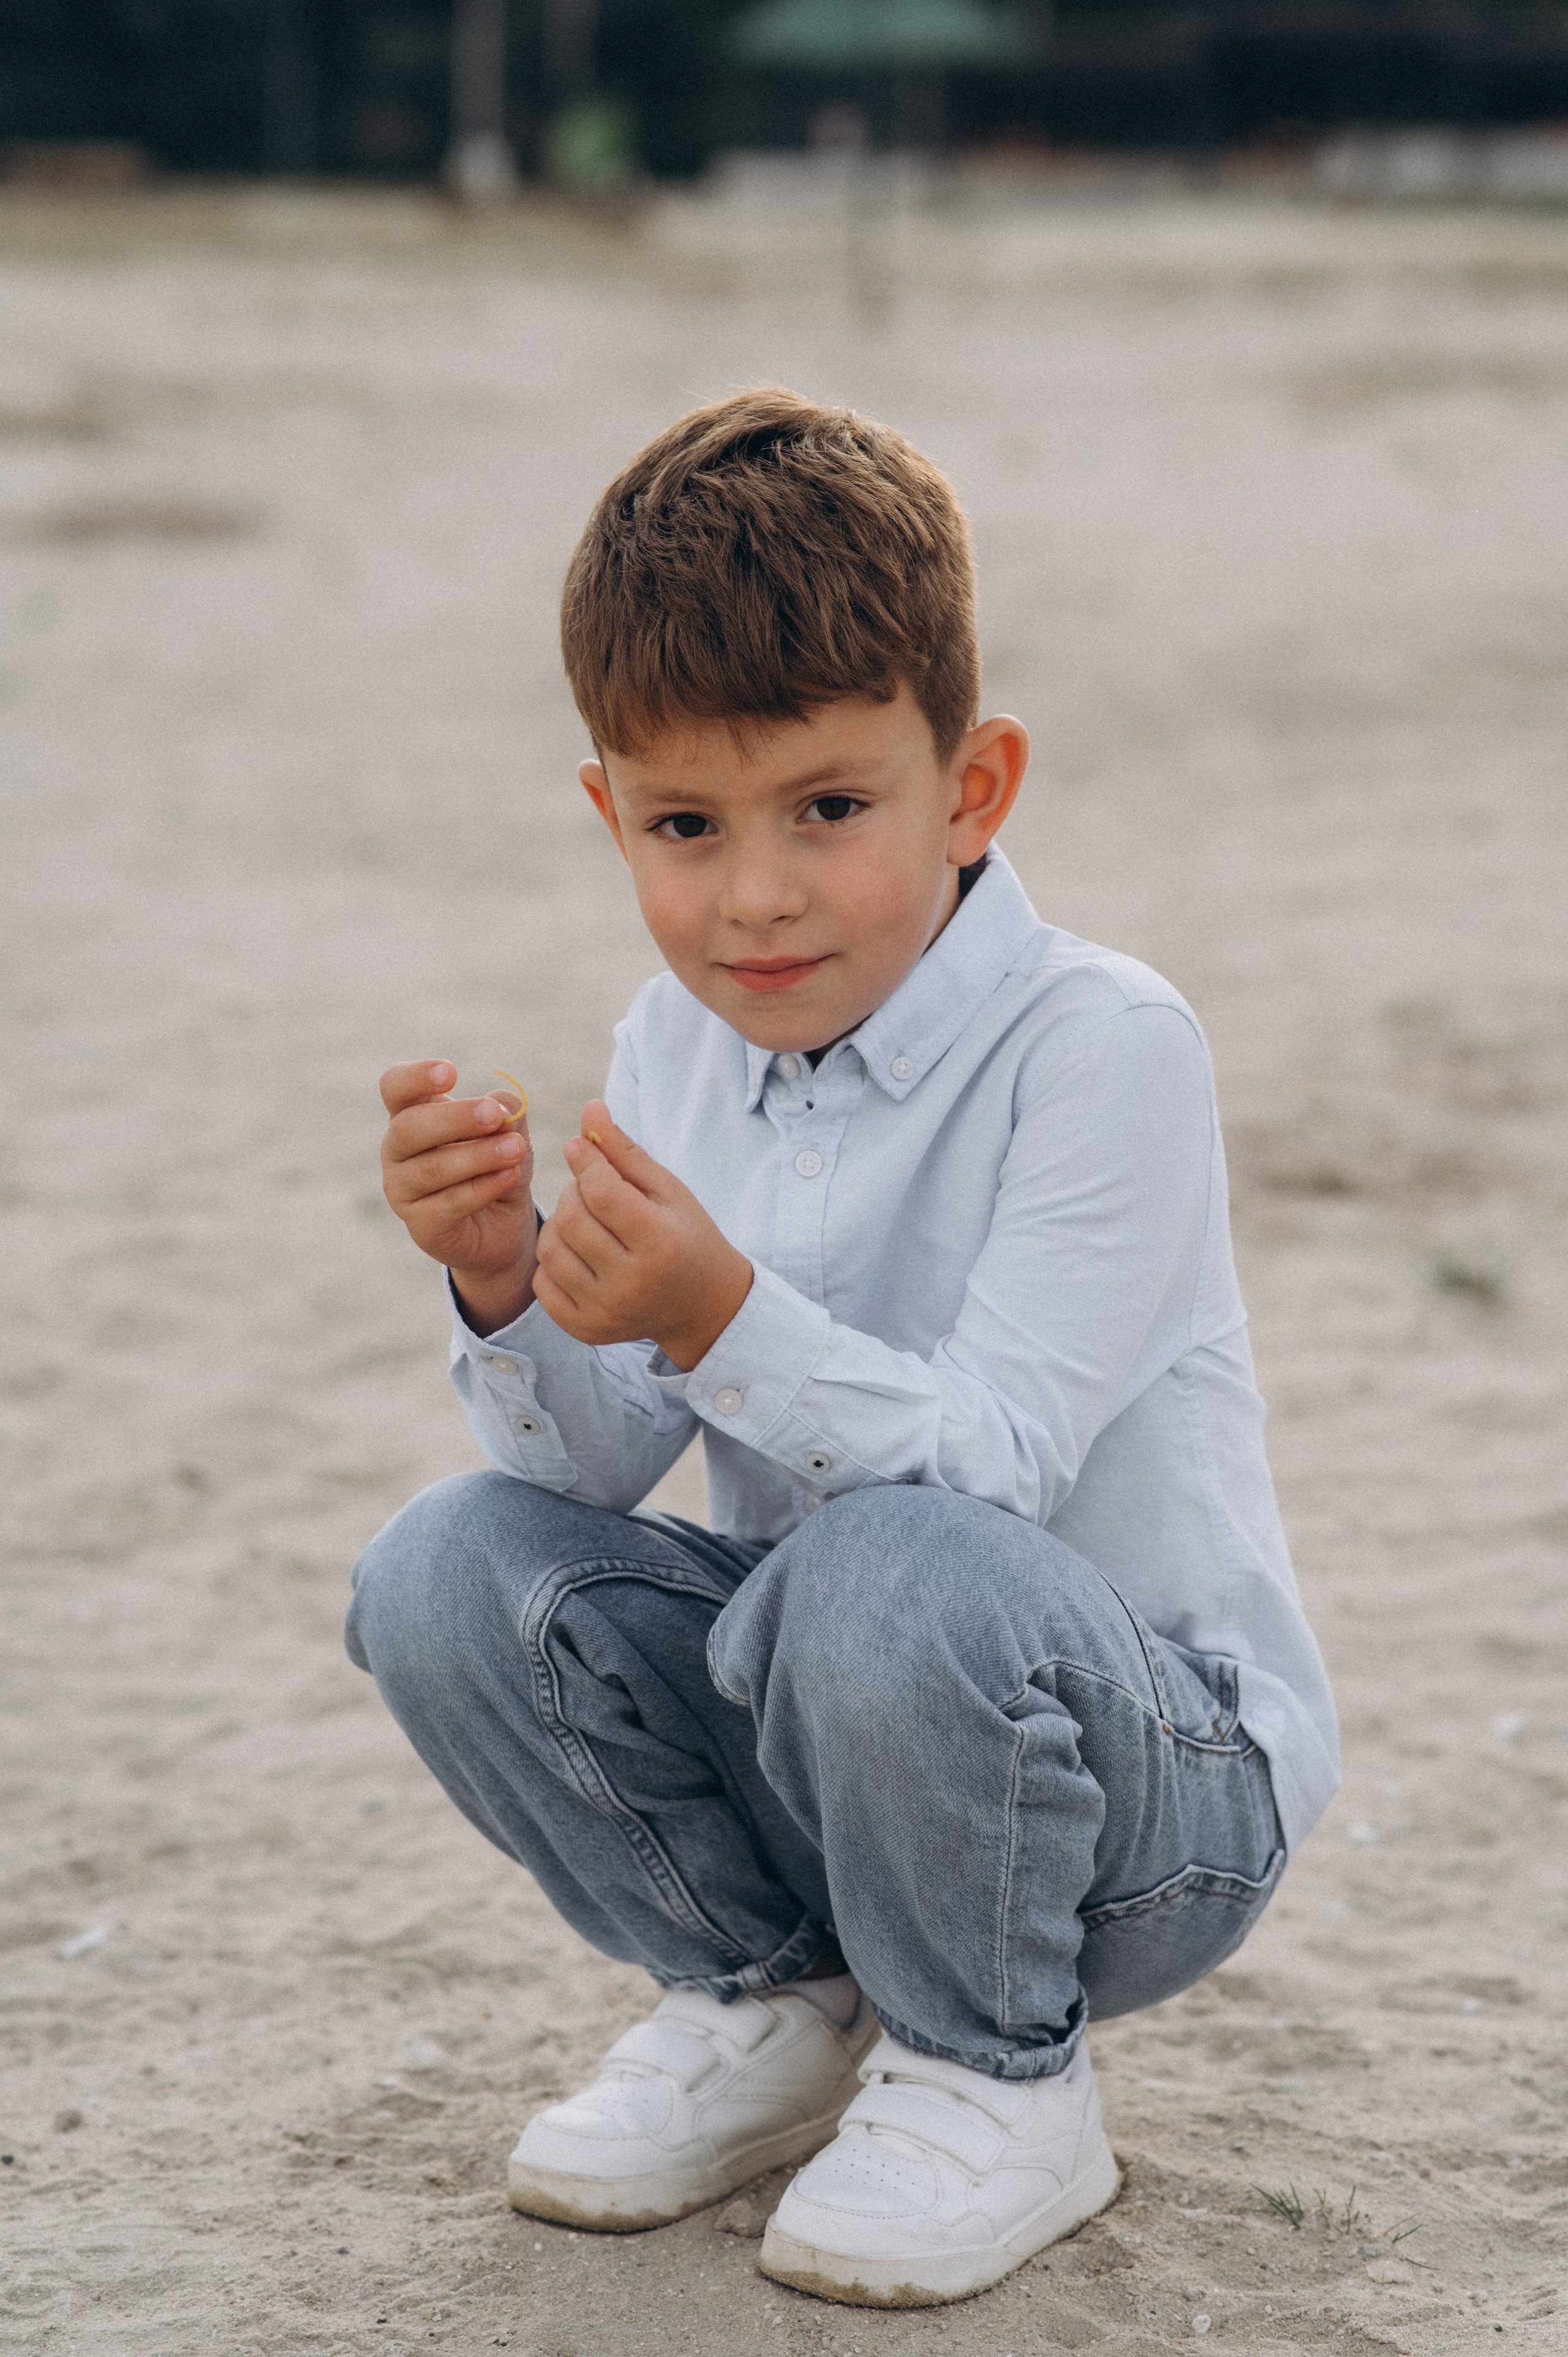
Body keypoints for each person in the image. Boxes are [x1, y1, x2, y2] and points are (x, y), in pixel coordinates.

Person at [347, 387, 1338, 2309]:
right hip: (832, 1761)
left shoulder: (1101, 1047)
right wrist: (503, 1285)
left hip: (1139, 1804)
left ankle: (999, 2073)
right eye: (686, 826)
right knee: (443, 1565)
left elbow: (985, 1485)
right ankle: (775, 2001)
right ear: (607, 809)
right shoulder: (675, 1042)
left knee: (888, 1553)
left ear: (972, 788)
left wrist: (722, 1311)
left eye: (830, 808)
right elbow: (579, 1485)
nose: (758, 896)